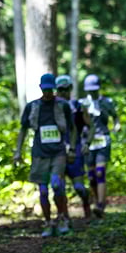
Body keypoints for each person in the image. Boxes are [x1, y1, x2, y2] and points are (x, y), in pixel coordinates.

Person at [13, 73, 73, 236]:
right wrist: (18, 150)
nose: (47, 92)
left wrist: (72, 148)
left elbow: (72, 128)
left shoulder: (62, 106)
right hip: (39, 154)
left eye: (50, 89)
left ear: (53, 89)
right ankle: (47, 222)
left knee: (56, 185)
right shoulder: (32, 106)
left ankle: (62, 218)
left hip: (58, 153)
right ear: (41, 88)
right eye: (45, 89)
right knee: (43, 190)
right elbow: (23, 129)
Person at [80, 74, 120, 218]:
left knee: (100, 172)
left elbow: (115, 116)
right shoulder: (83, 103)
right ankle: (97, 202)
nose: (92, 92)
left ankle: (101, 204)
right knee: (91, 177)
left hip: (103, 140)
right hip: (88, 142)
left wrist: (117, 125)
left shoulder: (106, 102)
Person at [55, 74, 92, 220]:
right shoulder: (52, 108)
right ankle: (64, 217)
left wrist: (87, 143)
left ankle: (87, 204)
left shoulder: (78, 106)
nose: (63, 92)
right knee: (59, 186)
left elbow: (91, 126)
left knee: (79, 188)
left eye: (66, 89)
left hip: (75, 150)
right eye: (60, 89)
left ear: (70, 89)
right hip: (57, 151)